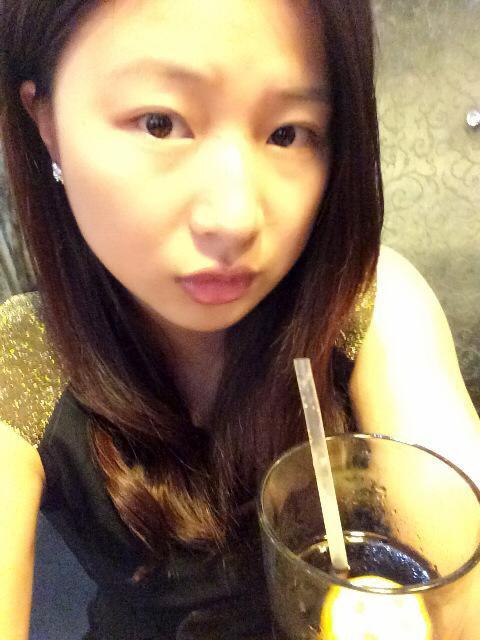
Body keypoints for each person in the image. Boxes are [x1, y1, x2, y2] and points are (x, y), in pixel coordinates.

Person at [0, 0, 478, 638]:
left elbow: (462, 572)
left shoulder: (365, 304)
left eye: (288, 133)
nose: (233, 219)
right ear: (46, 120)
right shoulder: (22, 361)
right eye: (160, 123)